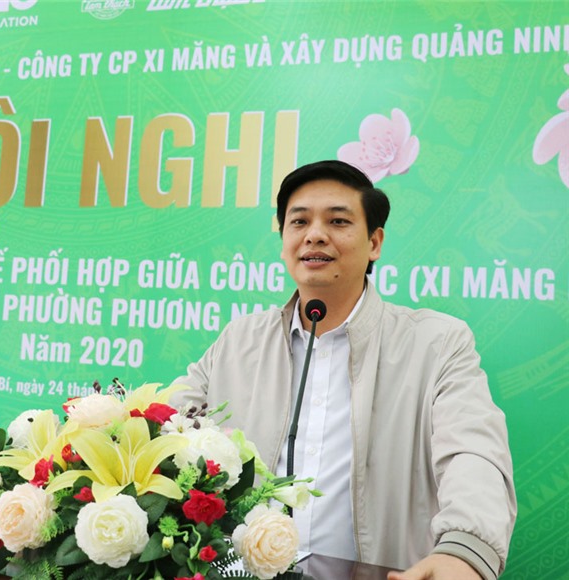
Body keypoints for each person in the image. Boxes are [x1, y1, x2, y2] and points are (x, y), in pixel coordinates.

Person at [172, 160, 516, 580]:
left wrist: (463, 552)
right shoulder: (239, 341)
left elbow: (473, 453)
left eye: (337, 221)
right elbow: (168, 427)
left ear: (374, 243)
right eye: (299, 221)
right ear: (283, 240)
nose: (315, 234)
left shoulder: (437, 343)